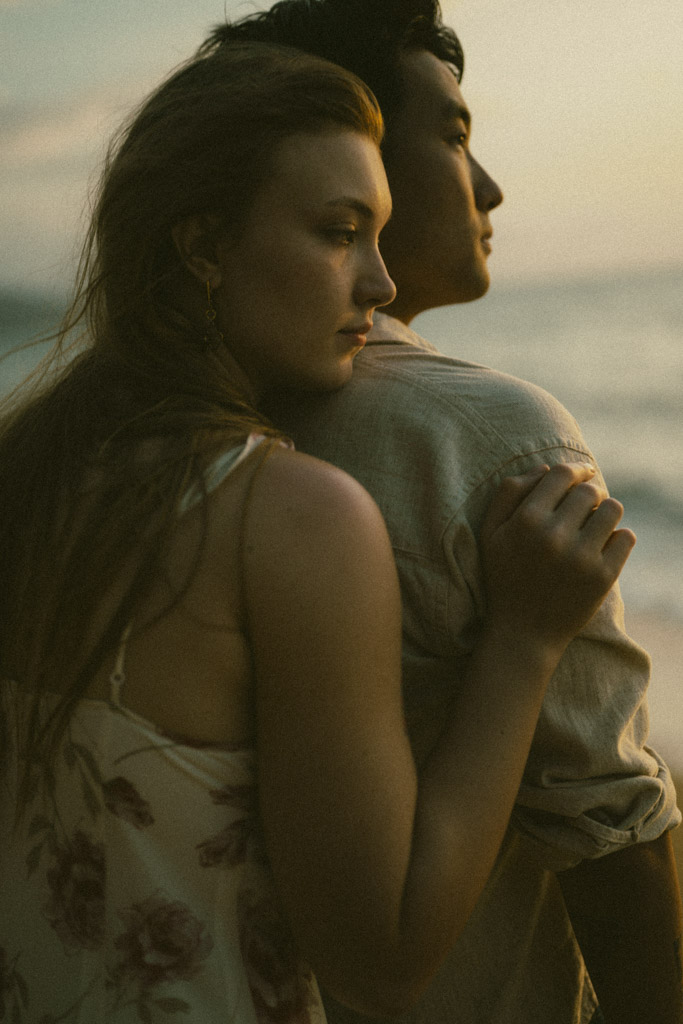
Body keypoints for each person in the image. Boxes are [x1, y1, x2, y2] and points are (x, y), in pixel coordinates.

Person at [0, 40, 638, 1024]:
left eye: (378, 236)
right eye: (340, 233)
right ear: (203, 244)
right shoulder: (290, 516)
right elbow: (383, 961)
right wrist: (522, 640)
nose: (380, 285)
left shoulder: (30, 466)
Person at [201, 3, 683, 1023]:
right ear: (343, 146)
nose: (489, 185)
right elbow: (610, 836)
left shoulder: (157, 427)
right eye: (456, 137)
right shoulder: (490, 438)